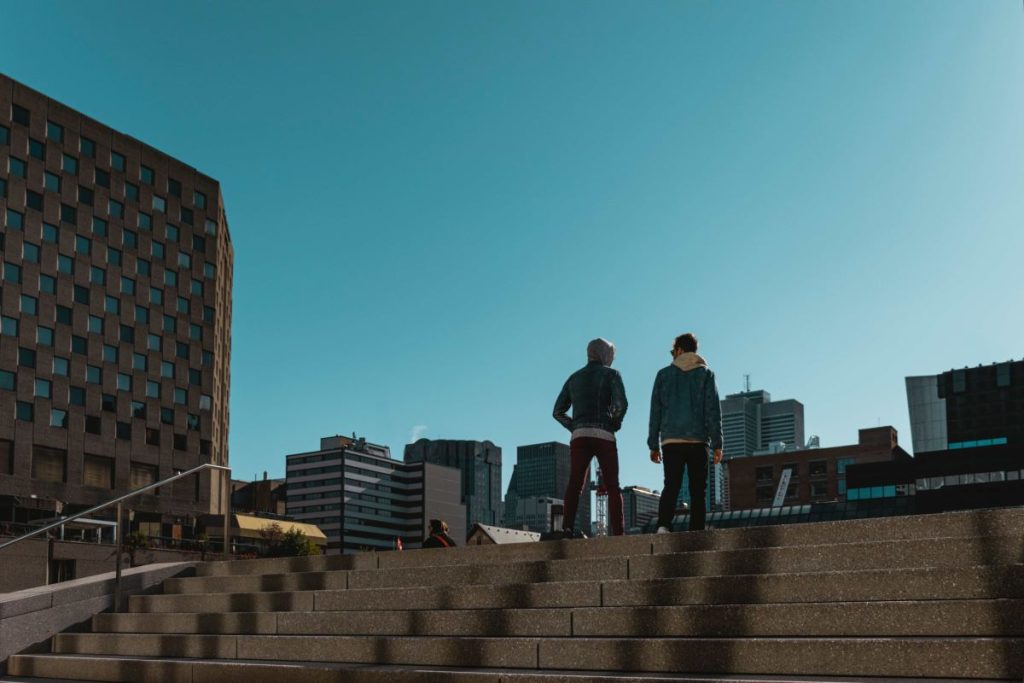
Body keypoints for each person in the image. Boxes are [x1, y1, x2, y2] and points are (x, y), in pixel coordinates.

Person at [648, 332, 723, 533]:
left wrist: (653, 445)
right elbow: (712, 411)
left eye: (673, 351)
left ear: (680, 350)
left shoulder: (663, 375)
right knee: (698, 490)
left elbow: (656, 411)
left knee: (671, 485)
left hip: (671, 440)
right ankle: (696, 531)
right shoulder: (706, 374)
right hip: (698, 440)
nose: (672, 355)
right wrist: (718, 444)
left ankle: (664, 525)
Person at [553, 338, 628, 536]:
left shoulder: (573, 378)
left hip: (579, 437)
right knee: (612, 485)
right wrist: (615, 423)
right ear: (605, 354)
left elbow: (557, 412)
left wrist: (575, 426)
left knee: (575, 483)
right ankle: (618, 533)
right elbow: (622, 404)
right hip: (604, 435)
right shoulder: (612, 374)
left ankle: (567, 528)